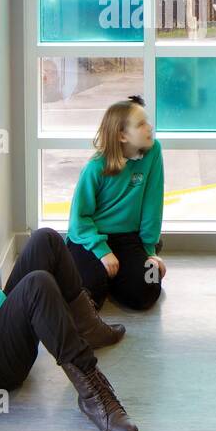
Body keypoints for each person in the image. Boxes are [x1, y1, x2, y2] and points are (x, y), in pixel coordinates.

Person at [0, 188, 137, 431]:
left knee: (46, 239)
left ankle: (89, 330)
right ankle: (94, 395)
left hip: (1, 328)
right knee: (37, 285)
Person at [65, 96, 167, 311]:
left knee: (148, 291)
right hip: (90, 238)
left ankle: (128, 267)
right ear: (122, 135)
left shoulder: (153, 151)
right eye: (141, 124)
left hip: (129, 238)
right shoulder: (96, 167)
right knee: (88, 296)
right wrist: (103, 252)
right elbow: (78, 219)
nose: (150, 127)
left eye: (147, 121)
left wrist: (149, 252)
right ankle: (96, 272)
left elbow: (152, 207)